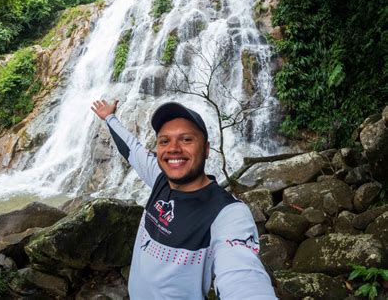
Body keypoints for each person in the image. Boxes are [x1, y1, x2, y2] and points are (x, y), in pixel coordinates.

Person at [91, 100, 277, 299]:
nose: (173, 148)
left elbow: (243, 276)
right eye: (164, 141)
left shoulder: (228, 213)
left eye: (186, 139)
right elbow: (131, 148)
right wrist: (109, 117)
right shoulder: (160, 178)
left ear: (206, 149)